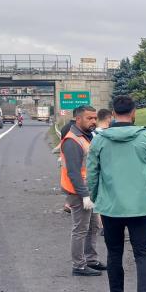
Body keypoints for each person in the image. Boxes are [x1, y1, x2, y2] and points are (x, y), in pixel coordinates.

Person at [87, 95, 146, 292]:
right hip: (141, 207)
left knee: (114, 254)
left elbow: (92, 174)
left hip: (111, 208)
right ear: (133, 112)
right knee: (143, 254)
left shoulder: (100, 141)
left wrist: (96, 197)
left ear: (113, 113)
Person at [60, 105, 105, 276]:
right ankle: (78, 266)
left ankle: (91, 260)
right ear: (78, 119)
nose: (93, 121)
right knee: (80, 229)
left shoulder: (87, 136)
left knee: (93, 226)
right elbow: (73, 172)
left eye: (95, 118)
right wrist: (84, 195)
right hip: (78, 193)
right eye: (89, 118)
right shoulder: (72, 141)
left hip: (90, 190)